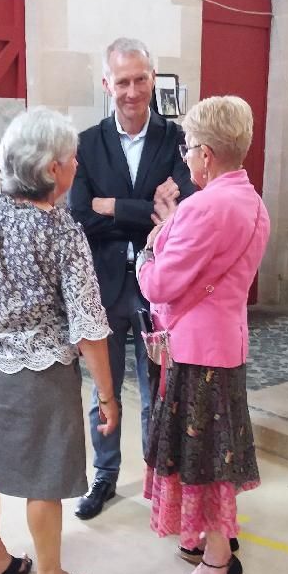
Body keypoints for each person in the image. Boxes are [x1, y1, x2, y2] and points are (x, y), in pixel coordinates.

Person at [0, 107, 118, 574]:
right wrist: (108, 396)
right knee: (45, 479)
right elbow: (89, 326)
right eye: (73, 159)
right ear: (53, 169)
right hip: (42, 375)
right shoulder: (63, 231)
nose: (76, 166)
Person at [137, 95, 270, 574]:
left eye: (191, 148)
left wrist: (149, 252)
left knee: (205, 459)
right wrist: (174, 223)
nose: (187, 156)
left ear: (208, 154)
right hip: (226, 345)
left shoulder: (206, 206)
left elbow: (160, 284)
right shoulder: (250, 199)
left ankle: (218, 564)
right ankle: (207, 540)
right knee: (217, 450)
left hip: (198, 354)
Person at [69, 37, 194, 520]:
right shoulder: (86, 143)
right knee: (105, 391)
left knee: (154, 392)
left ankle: (157, 476)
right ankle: (103, 475)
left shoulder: (177, 141)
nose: (133, 91)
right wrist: (146, 212)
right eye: (122, 81)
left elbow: (179, 216)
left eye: (141, 79)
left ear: (152, 78)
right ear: (107, 84)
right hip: (102, 288)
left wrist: (113, 205)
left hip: (157, 289)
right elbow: (81, 214)